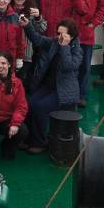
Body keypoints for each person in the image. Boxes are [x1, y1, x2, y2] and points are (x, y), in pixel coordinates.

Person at [22, 17, 83, 153]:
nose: (59, 36)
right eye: (58, 33)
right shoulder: (54, 42)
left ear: (71, 36)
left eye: (62, 34)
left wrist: (65, 47)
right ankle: (29, 138)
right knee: (29, 103)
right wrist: (27, 26)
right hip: (48, 86)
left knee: (40, 107)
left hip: (63, 91)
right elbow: (37, 39)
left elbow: (68, 66)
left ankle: (40, 142)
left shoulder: (77, 50)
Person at [67, 0, 104, 102]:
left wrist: (94, 23)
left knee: (84, 66)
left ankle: (81, 95)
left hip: (86, 32)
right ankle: (68, 94)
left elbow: (103, 7)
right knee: (68, 64)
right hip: (69, 31)